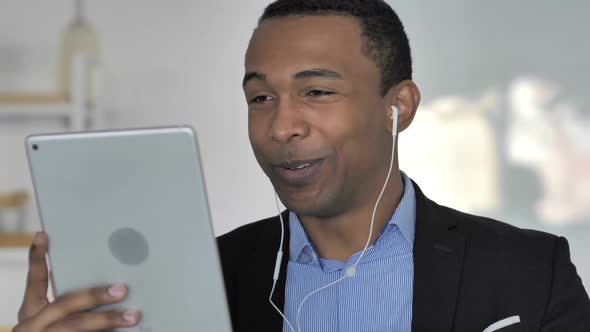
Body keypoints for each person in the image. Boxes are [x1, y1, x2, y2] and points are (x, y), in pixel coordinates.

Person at [13, 0, 590, 331]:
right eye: (260, 98)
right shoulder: (199, 281)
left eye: (316, 92)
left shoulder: (530, 270)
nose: (280, 125)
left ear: (400, 107)